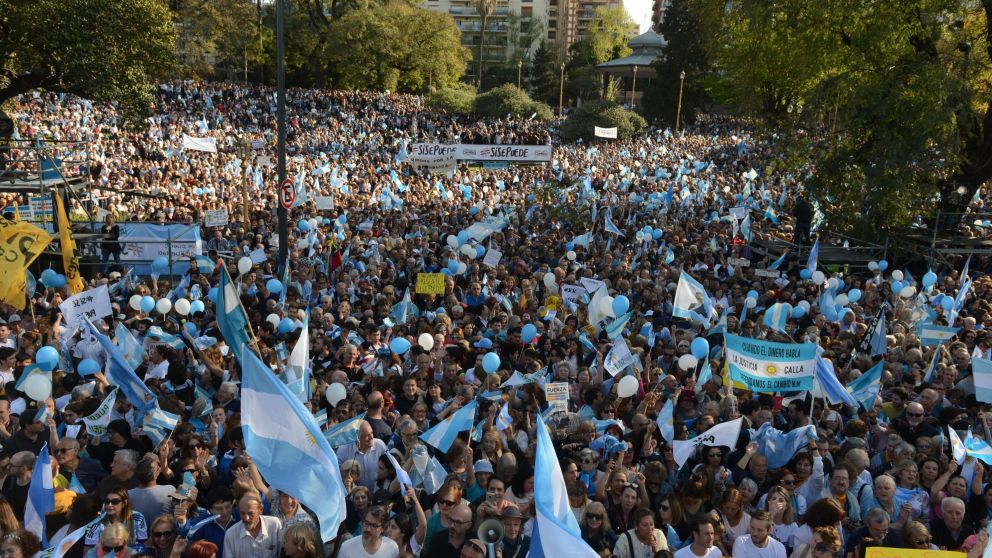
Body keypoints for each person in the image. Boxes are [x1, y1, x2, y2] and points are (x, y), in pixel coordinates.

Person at [222, 493, 282, 558]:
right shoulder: (230, 535)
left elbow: (282, 553)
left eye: (250, 513)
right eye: (242, 513)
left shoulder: (274, 525)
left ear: (261, 510)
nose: (246, 518)